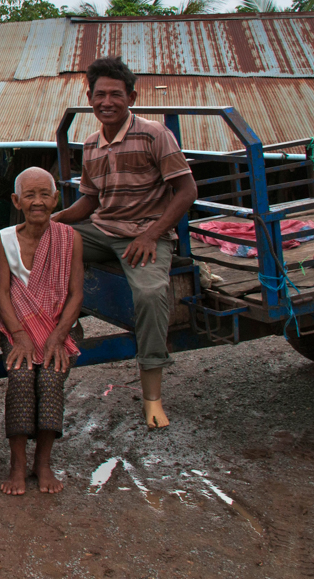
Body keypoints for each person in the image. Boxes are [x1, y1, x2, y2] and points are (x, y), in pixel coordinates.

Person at [52, 56, 197, 430]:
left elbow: (186, 190)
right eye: (100, 94)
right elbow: (89, 201)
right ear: (90, 97)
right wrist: (54, 220)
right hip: (103, 230)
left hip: (147, 234)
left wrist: (151, 234)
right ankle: (53, 326)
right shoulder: (90, 144)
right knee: (45, 241)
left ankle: (152, 395)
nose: (107, 102)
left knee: (149, 296)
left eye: (116, 94)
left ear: (131, 96)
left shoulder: (153, 134)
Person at [0, 167, 84, 495]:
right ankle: (17, 464)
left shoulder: (70, 238)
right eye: (29, 195)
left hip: (60, 326)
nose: (38, 202)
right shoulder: (4, 239)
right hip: (18, 328)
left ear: (56, 199)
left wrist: (58, 336)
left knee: (50, 377)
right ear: (17, 201)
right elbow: (2, 292)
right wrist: (19, 335)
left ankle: (42, 463)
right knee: (20, 376)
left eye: (45, 194)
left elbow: (76, 294)